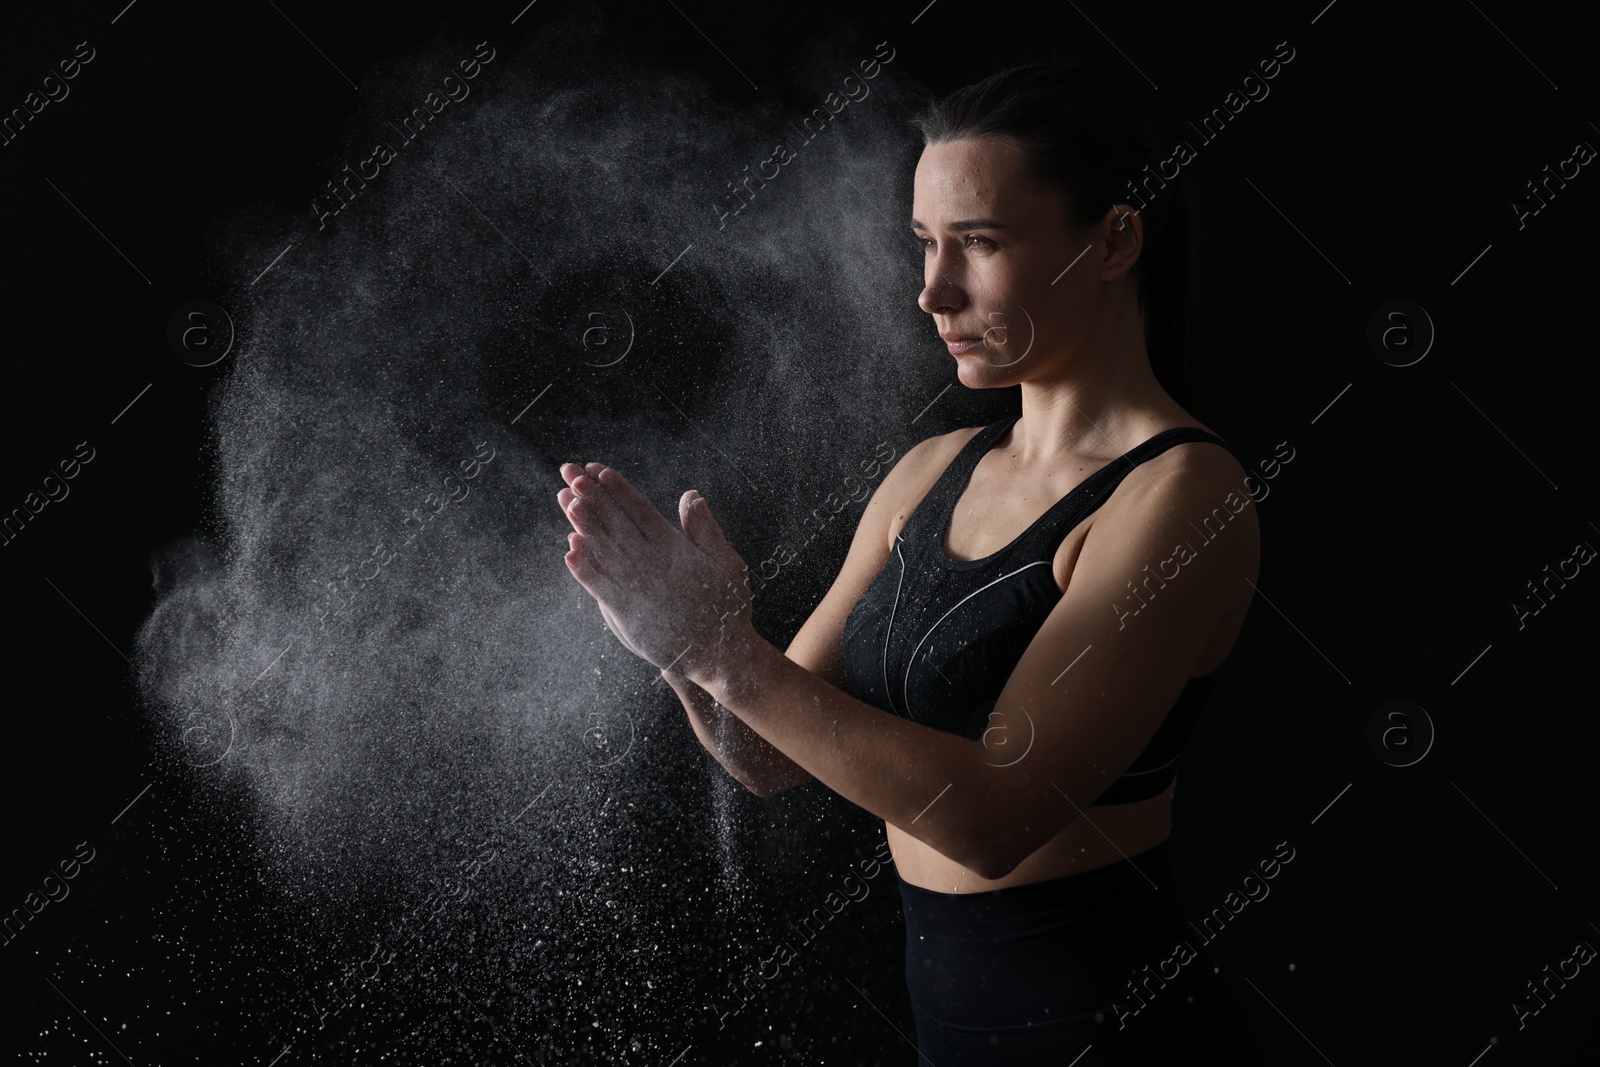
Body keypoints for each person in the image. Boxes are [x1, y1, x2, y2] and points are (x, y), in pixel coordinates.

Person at [557, 62, 1265, 1065]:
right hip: (951, 1032)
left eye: (977, 243)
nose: (932, 291)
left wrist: (726, 648)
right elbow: (763, 753)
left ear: (1112, 240)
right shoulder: (933, 469)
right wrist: (676, 639)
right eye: (925, 244)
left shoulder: (1182, 495)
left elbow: (991, 816)